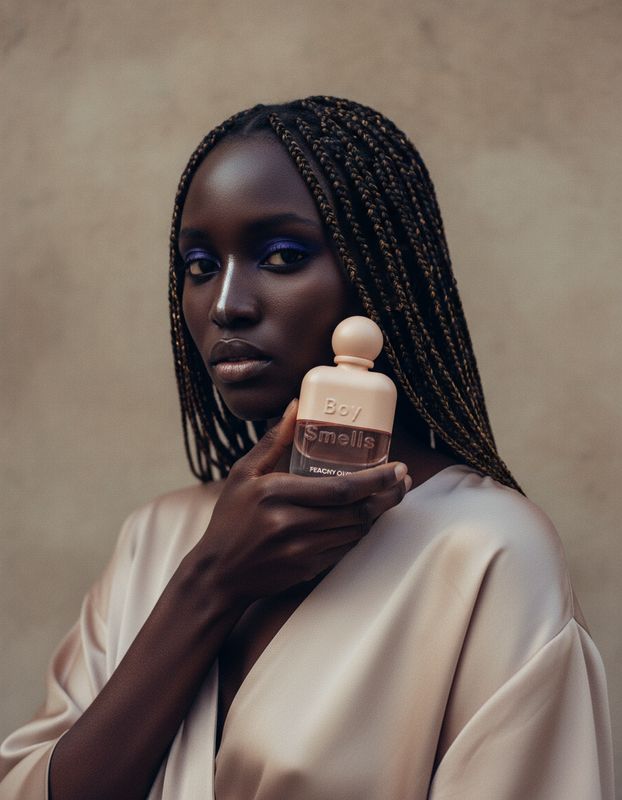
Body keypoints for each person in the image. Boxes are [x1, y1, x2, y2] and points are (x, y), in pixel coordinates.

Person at [0, 96, 614, 799]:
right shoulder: (156, 538)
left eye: (282, 256)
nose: (226, 303)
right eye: (200, 265)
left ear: (383, 277)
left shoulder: (487, 552)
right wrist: (209, 583)